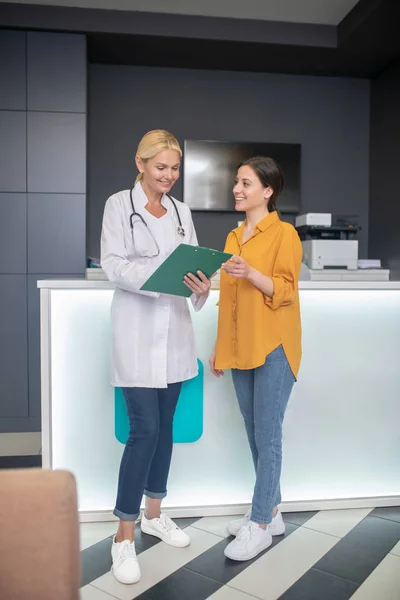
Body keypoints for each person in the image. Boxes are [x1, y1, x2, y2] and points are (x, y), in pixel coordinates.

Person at [101, 130, 211, 584]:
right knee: (144, 431)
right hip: (137, 332)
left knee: (164, 429)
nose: (169, 176)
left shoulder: (183, 212)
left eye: (175, 168)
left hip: (176, 333)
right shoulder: (117, 205)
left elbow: (195, 267)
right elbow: (114, 264)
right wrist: (163, 279)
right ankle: (123, 536)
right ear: (141, 164)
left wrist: (202, 286)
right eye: (161, 167)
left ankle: (154, 514)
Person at [209, 156, 302, 562]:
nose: (237, 189)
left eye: (246, 183)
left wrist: (251, 273)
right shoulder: (233, 236)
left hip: (274, 346)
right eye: (236, 182)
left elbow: (285, 290)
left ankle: (260, 524)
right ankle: (273, 510)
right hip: (240, 345)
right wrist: (219, 346)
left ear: (267, 191)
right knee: (254, 433)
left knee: (268, 435)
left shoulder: (285, 233)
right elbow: (228, 300)